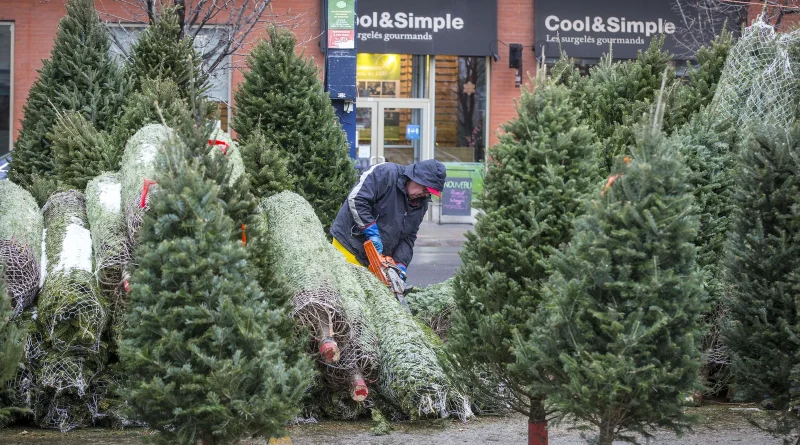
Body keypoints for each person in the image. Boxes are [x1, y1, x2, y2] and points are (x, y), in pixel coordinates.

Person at [330, 159, 447, 282]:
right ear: (416, 178)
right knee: (345, 289)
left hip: (378, 259)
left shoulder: (421, 203)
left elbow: (408, 237)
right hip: (350, 244)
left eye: (429, 193)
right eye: (425, 190)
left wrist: (400, 264)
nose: (425, 195)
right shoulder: (385, 173)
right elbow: (357, 199)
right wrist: (371, 231)